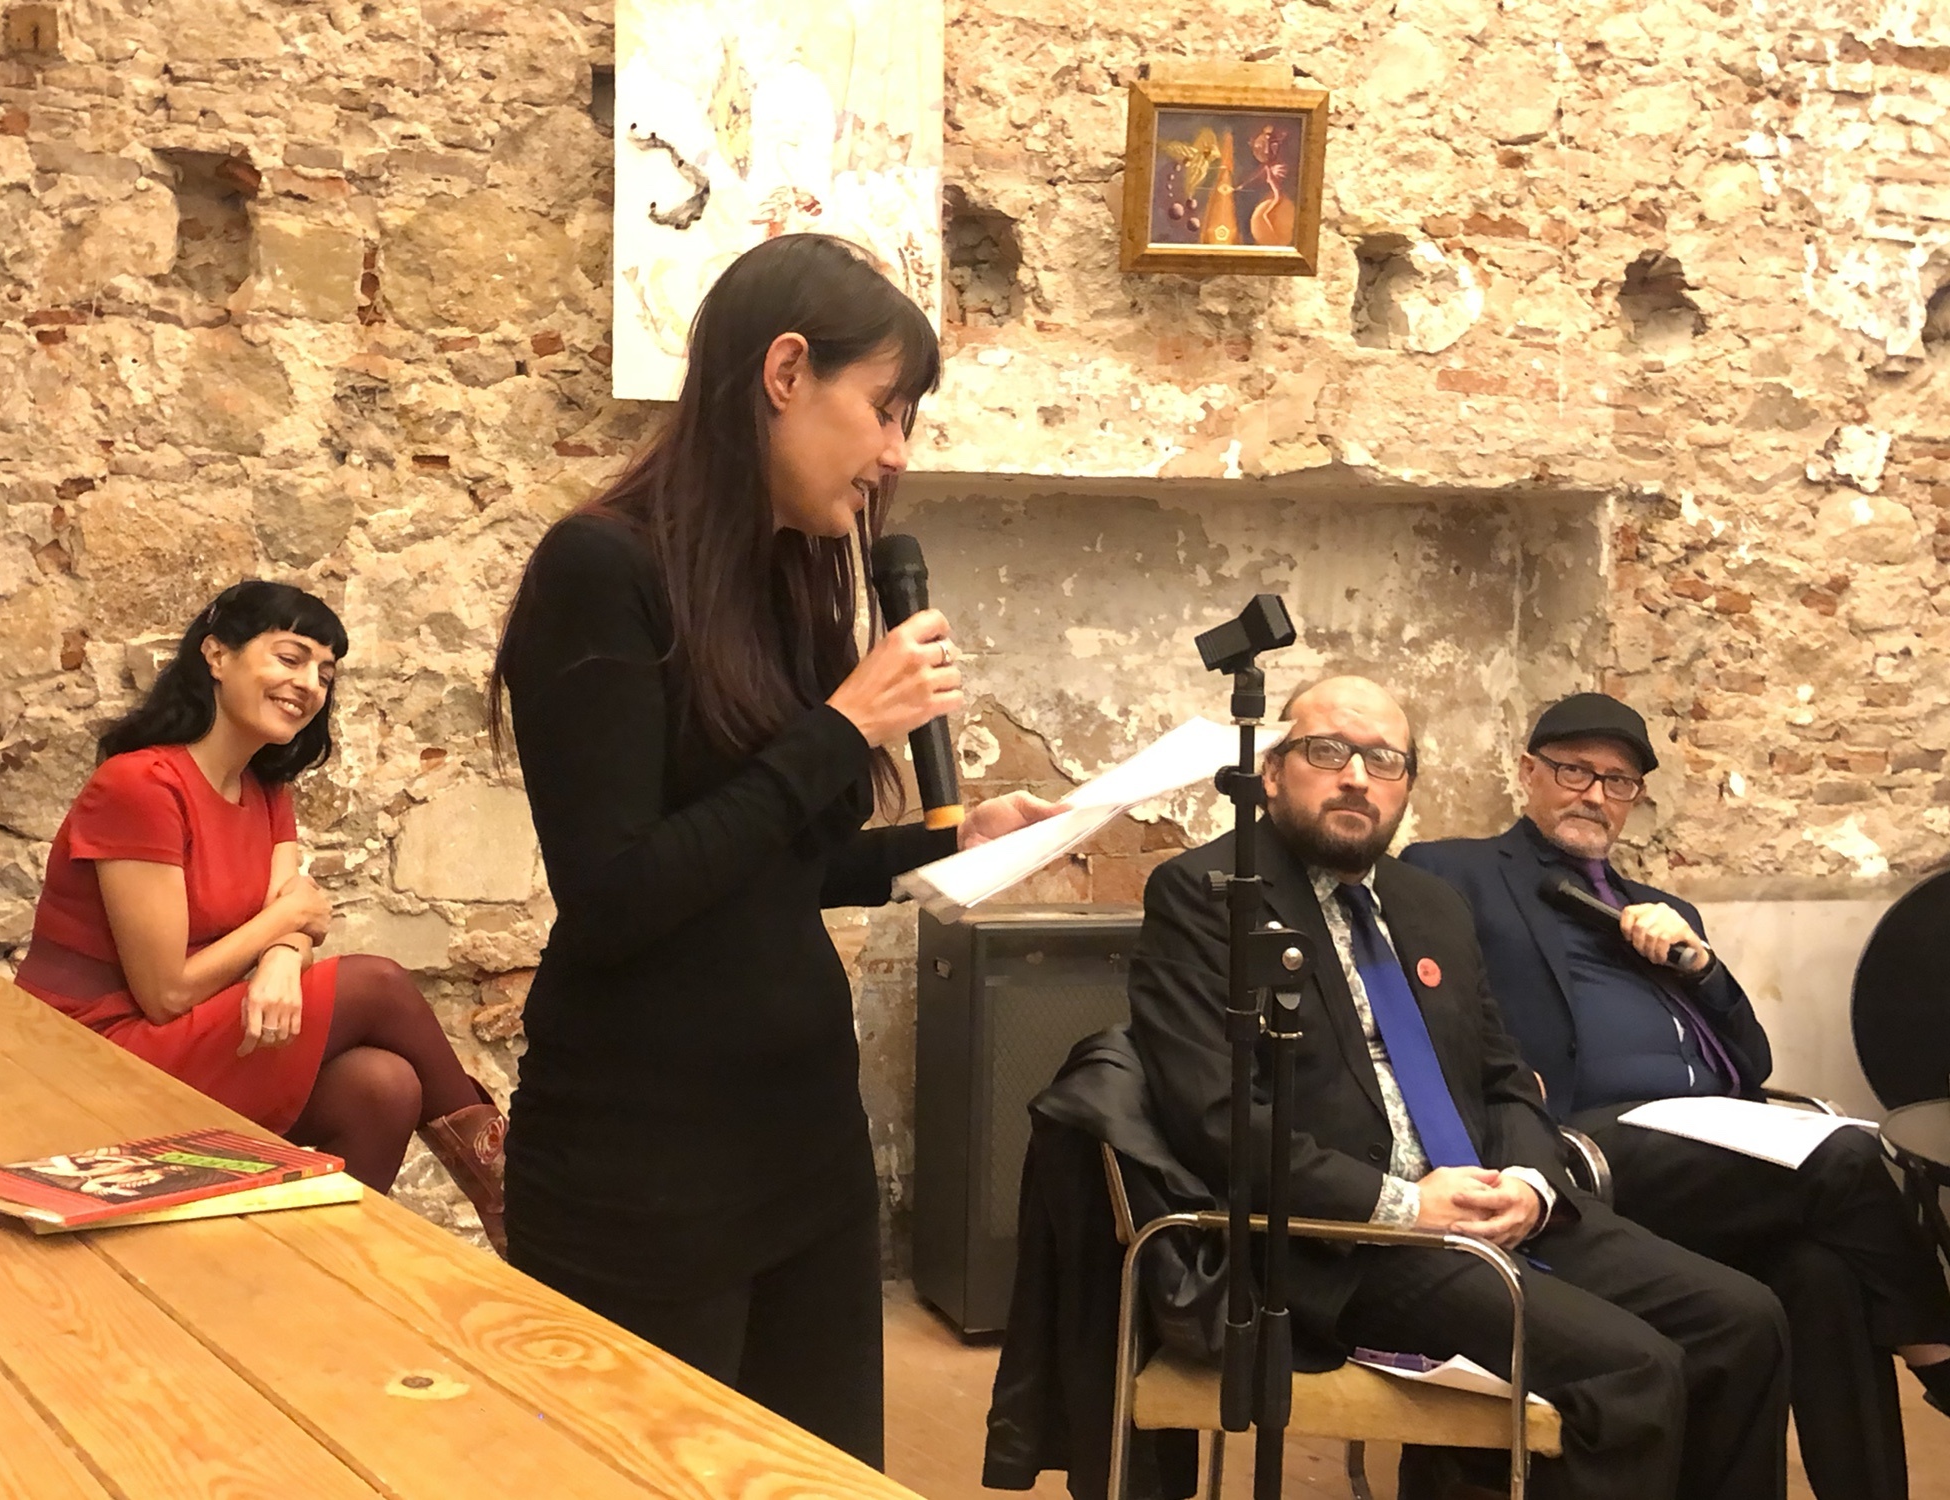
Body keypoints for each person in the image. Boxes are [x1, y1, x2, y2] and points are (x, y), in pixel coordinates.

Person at [488, 233, 1058, 1467]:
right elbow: (618, 894)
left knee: (822, 1474)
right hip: (644, 1161)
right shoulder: (600, 568)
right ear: (786, 372)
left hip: (802, 1142)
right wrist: (842, 726)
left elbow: (770, 868)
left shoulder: (788, 580)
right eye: (884, 409)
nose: (895, 453)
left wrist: (933, 851)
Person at [1128, 675, 1790, 1500]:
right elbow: (1216, 1119)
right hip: (1345, 1239)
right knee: (1630, 1370)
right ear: (1270, 771)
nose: (1357, 778)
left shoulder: (1429, 903)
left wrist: (1529, 1183)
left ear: (1407, 783)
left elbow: (1504, 1078)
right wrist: (1406, 1205)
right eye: (1328, 752)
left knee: (1745, 1321)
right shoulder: (1207, 895)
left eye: (1384, 760)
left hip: (1487, 1206)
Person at [1405, 691, 1950, 1500]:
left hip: (1711, 1142)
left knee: (1823, 1274)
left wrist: (1701, 966)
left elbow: (1753, 1060)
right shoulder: (1458, 871)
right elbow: (1422, 1003)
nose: (1596, 794)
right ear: (1528, 772)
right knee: (1849, 1155)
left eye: (1619, 782)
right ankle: (1941, 1360)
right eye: (1575, 771)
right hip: (1581, 1139)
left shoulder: (1664, 910)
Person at [15, 581, 509, 1253]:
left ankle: (318, 1276)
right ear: (217, 656)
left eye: (325, 673)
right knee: (378, 984)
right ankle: (512, 1195)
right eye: (290, 657)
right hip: (95, 1053)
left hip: (191, 1033)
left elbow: (294, 921)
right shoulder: (140, 786)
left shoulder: (266, 791)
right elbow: (165, 992)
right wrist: (284, 926)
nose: (309, 684)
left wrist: (279, 960)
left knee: (384, 1087)